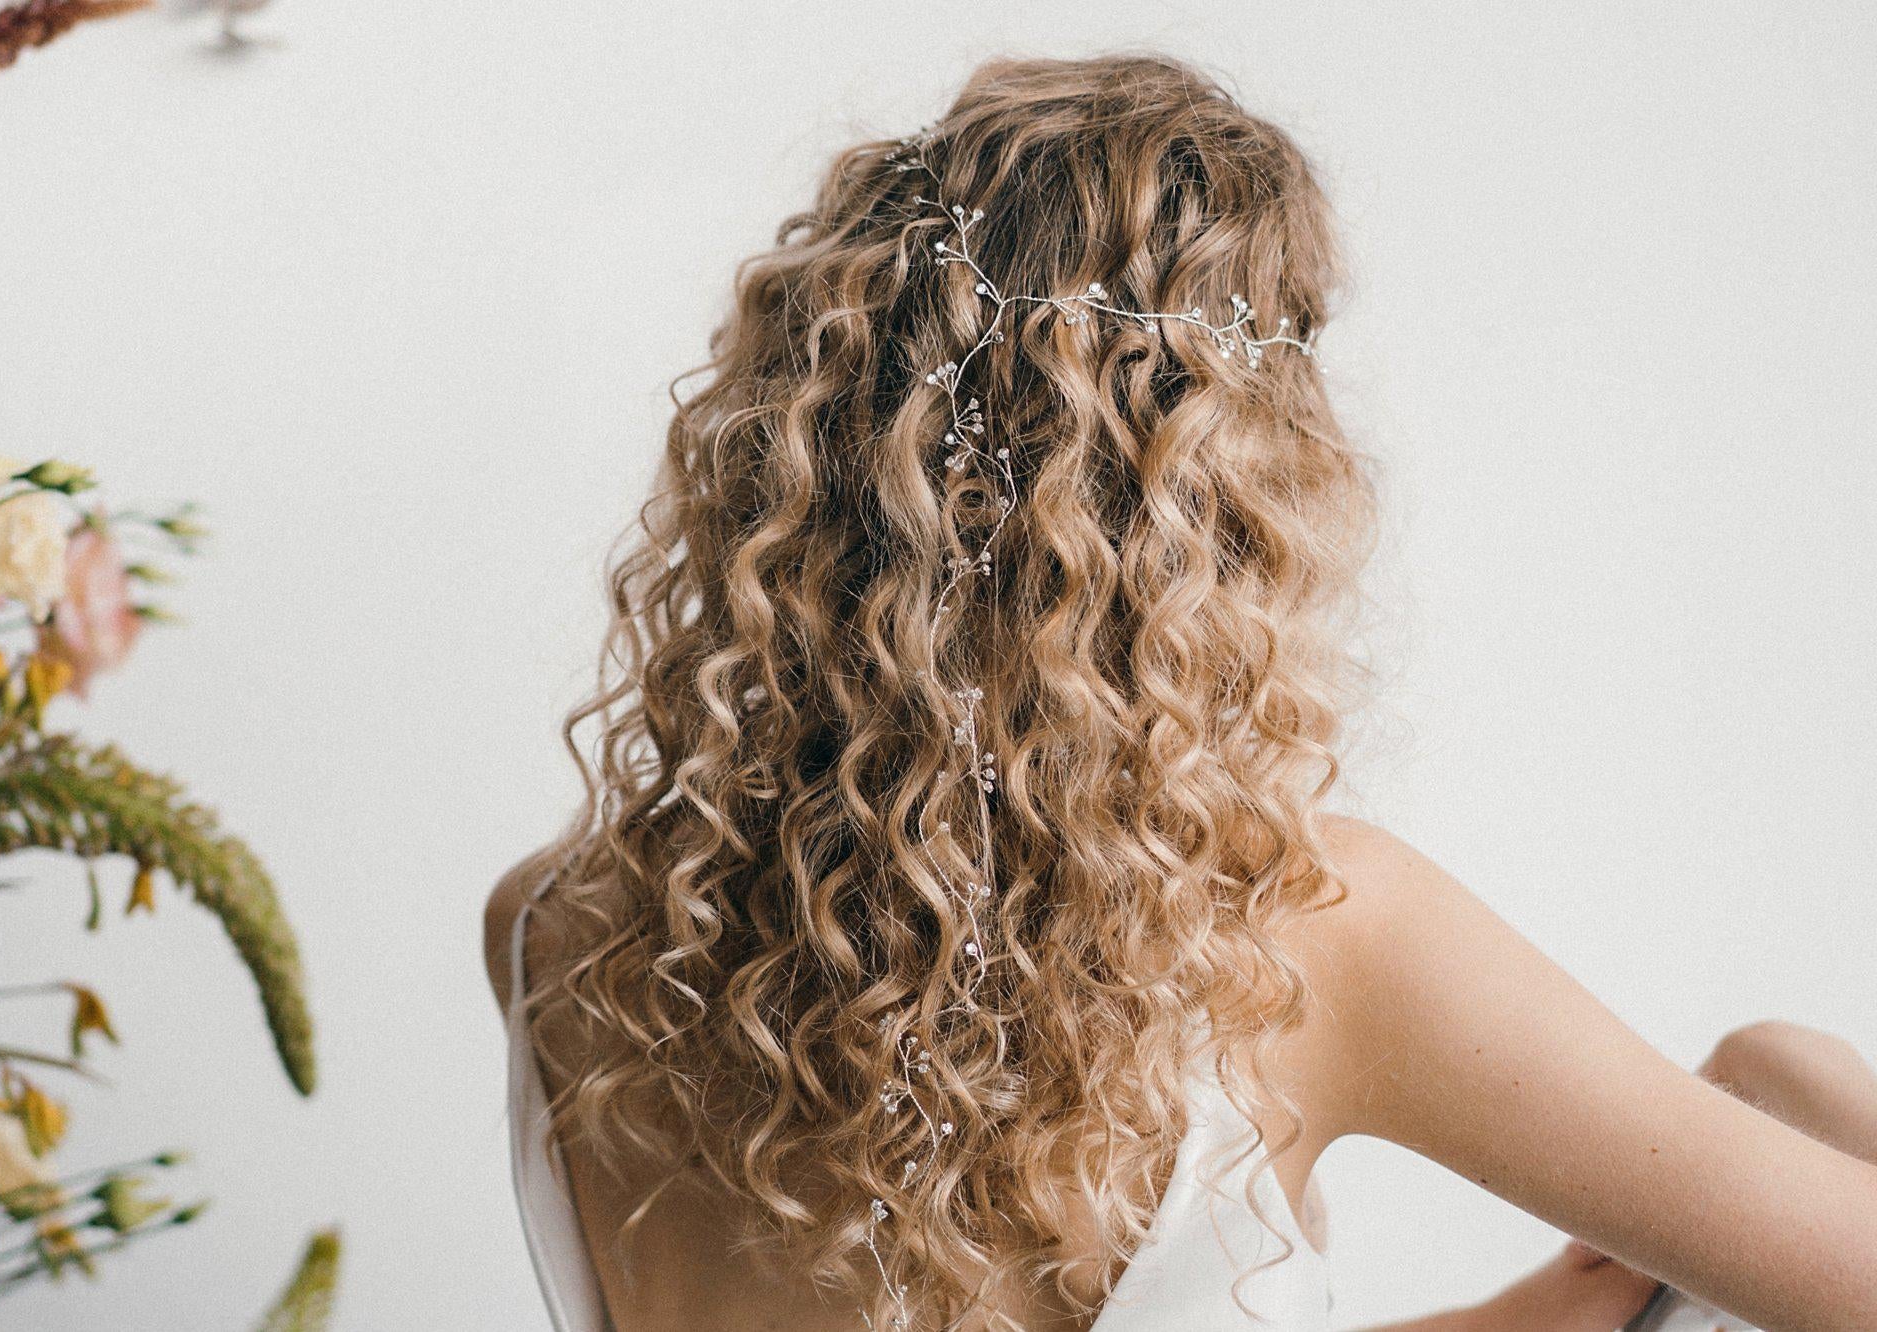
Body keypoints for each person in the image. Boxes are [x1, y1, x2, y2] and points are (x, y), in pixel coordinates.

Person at [486, 53, 1877, 1331]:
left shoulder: (565, 937)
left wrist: (1543, 1314)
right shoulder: (1298, 945)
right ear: (1221, 500)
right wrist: (1801, 1079)